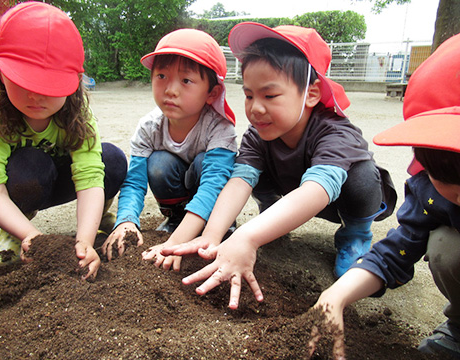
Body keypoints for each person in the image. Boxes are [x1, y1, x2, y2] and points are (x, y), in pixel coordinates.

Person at [162, 22, 397, 307]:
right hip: (290, 189)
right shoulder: (258, 133)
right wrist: (211, 236)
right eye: (249, 95)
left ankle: (355, 233)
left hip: (338, 201)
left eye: (269, 96)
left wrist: (248, 237)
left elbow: (316, 191)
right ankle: (272, 213)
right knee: (245, 168)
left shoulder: (336, 132)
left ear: (311, 94)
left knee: (361, 176)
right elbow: (238, 183)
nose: (255, 108)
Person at [309, 33, 460, 359]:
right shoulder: (430, 191)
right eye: (446, 177)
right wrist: (336, 296)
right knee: (447, 247)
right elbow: (396, 252)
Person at [0, 2, 127, 279]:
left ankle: (95, 220)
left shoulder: (77, 111)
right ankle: (16, 230)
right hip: (26, 183)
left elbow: (90, 177)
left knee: (113, 160)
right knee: (30, 167)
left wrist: (84, 241)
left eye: (47, 85)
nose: (35, 96)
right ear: (0, 72)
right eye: (24, 82)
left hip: (63, 179)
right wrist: (36, 240)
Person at [101, 29, 237, 270]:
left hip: (210, 200)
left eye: (186, 80)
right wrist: (126, 221)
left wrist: (176, 243)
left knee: (205, 162)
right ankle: (176, 219)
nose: (171, 90)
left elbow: (213, 185)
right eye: (161, 76)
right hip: (177, 193)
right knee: (159, 163)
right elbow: (134, 181)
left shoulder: (220, 129)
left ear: (212, 93)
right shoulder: (149, 127)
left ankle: (218, 225)